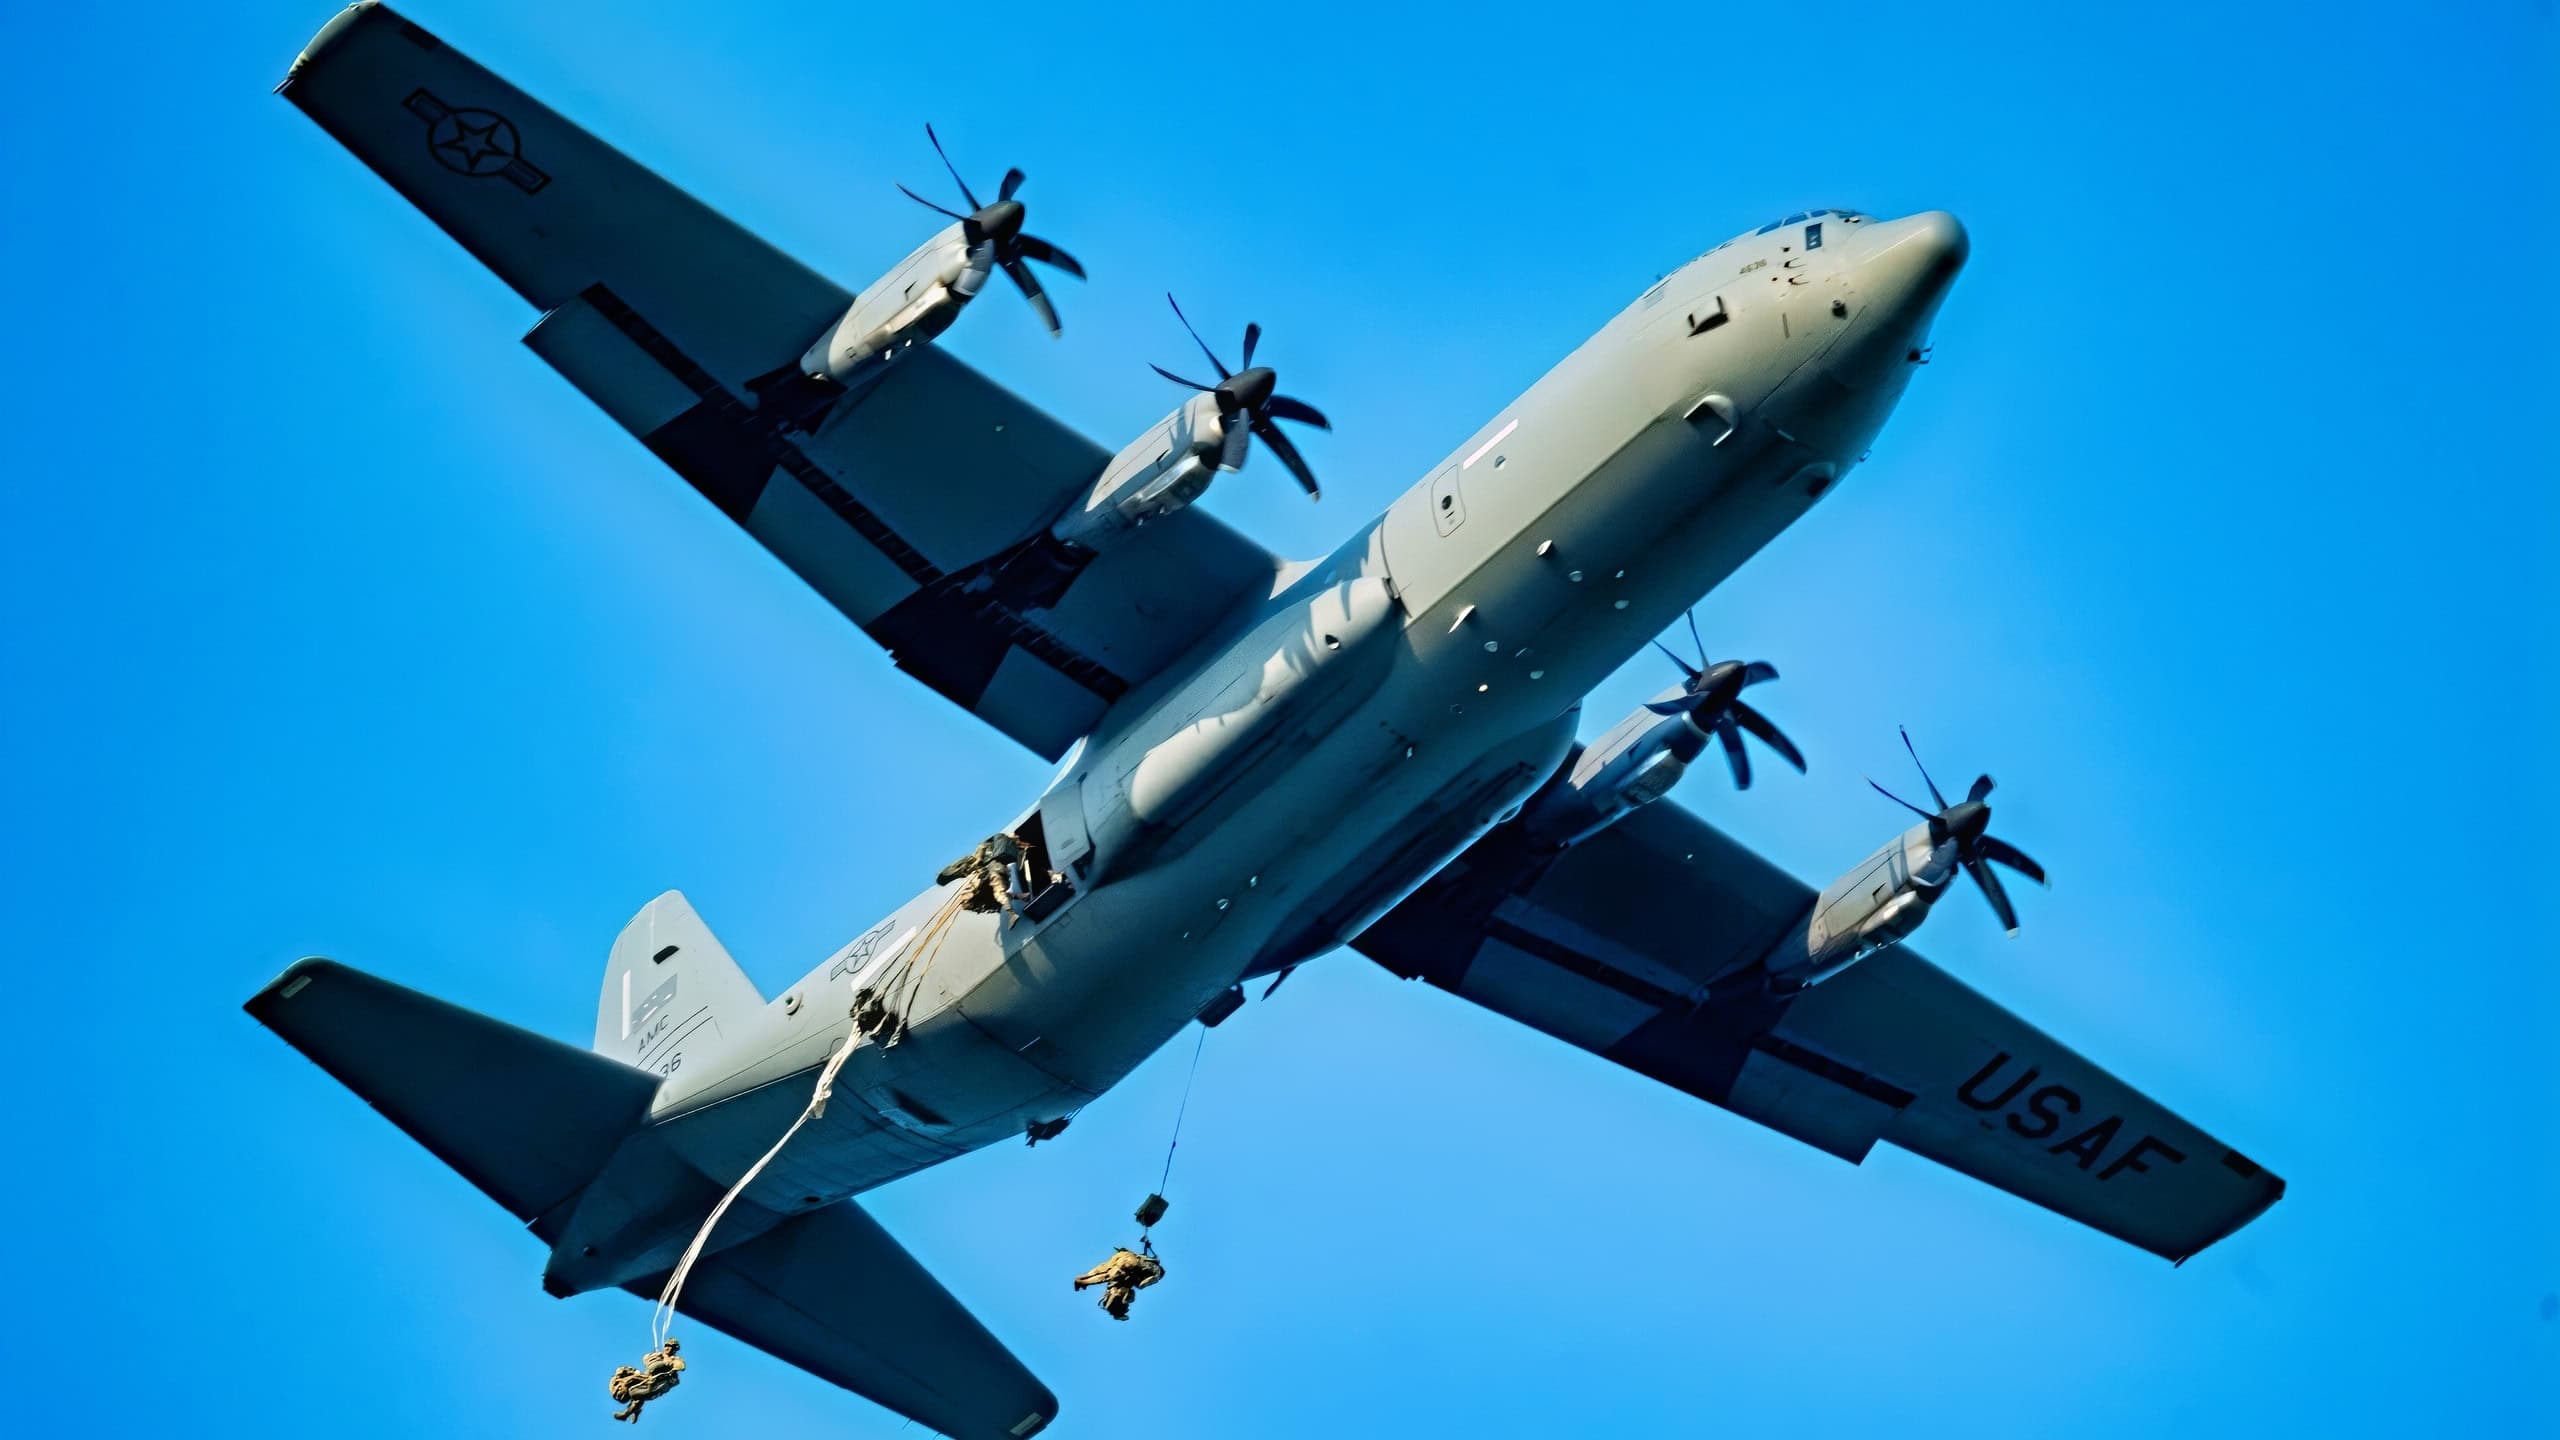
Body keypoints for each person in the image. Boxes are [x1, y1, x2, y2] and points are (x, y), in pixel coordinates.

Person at [936, 832, 1028, 915]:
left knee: (998, 888)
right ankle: (1016, 900)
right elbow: (973, 860)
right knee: (994, 890)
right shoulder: (997, 845)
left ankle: (1011, 911)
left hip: (991, 873)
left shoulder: (1001, 848)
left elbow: (974, 860)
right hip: (987, 876)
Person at [1071, 1246, 1166, 1321]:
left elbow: (1146, 1252)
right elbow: (1142, 1285)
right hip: (1131, 1264)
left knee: (1105, 1270)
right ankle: (1084, 1282)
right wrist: (1141, 1283)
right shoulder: (1157, 1274)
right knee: (1113, 1277)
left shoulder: (1150, 1260)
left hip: (1123, 1255)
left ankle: (1085, 1277)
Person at [608, 1337, 686, 1423]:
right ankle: (634, 1411)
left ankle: (627, 1414)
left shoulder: (674, 1359)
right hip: (646, 1376)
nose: (667, 1348)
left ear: (674, 1349)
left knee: (637, 1394)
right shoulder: (658, 1355)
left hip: (658, 1382)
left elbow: (680, 1365)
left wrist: (672, 1368)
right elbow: (647, 1360)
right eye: (666, 1345)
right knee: (628, 1382)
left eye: (670, 1346)